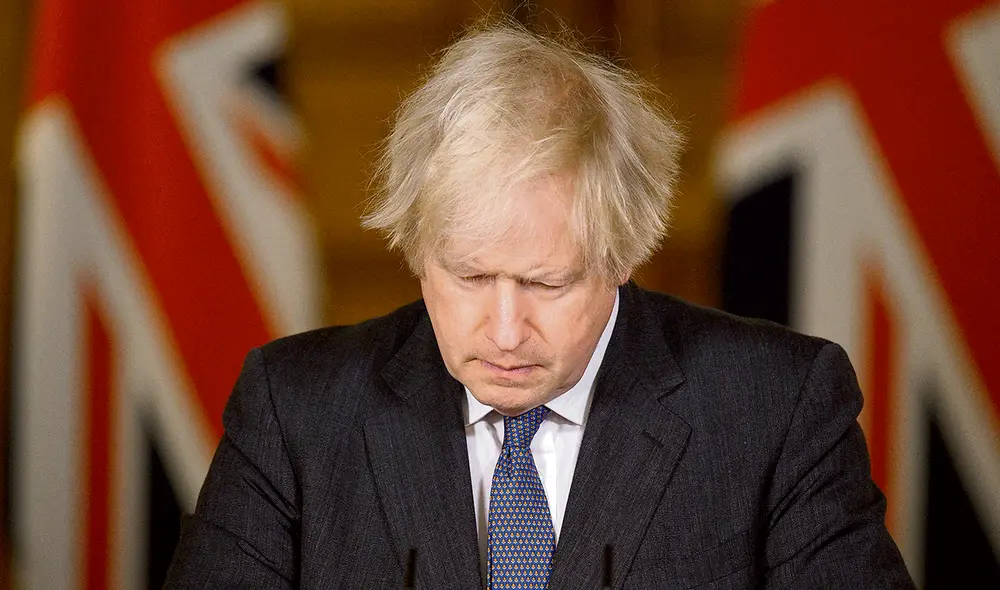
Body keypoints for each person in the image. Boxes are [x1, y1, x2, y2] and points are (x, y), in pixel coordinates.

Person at [165, 21, 914, 589]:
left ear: (622, 256)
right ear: (416, 248)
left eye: (546, 283)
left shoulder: (777, 407)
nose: (503, 330)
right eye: (468, 277)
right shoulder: (294, 410)